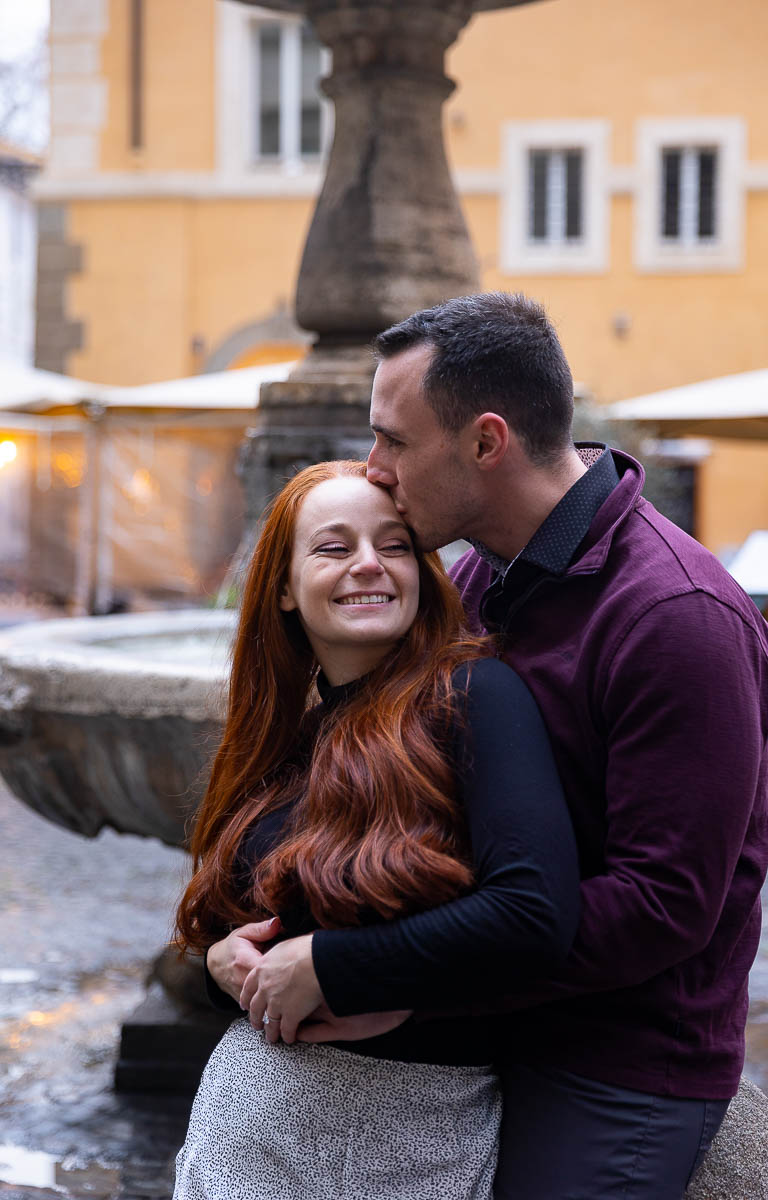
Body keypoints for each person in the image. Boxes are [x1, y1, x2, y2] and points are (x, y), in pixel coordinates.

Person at [253, 293, 768, 1198]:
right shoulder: (472, 579)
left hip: (618, 1060)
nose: (374, 471)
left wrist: (383, 975)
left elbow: (663, 906)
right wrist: (253, 945)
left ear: (486, 442)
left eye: (395, 441)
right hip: (484, 1021)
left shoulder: (677, 619)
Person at [172, 459, 579, 1199]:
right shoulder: (283, 738)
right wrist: (216, 970)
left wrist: (333, 966)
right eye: (333, 548)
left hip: (411, 1144)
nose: (369, 565)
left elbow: (534, 912)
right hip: (244, 1142)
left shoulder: (475, 694)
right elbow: (224, 931)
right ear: (285, 589)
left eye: (394, 546)